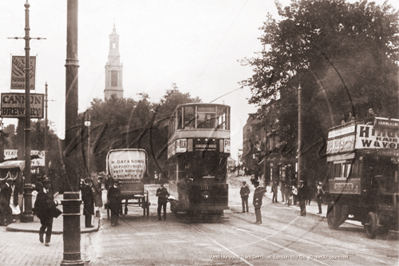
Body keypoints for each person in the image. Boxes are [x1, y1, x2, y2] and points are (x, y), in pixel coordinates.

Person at [34, 178, 55, 246]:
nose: (49, 185)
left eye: (49, 183)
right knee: (44, 225)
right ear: (44, 185)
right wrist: (37, 212)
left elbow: (52, 201)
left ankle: (47, 241)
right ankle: (41, 233)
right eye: (47, 184)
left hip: (50, 211)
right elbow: (37, 203)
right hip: (43, 212)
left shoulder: (51, 192)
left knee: (50, 226)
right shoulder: (40, 193)